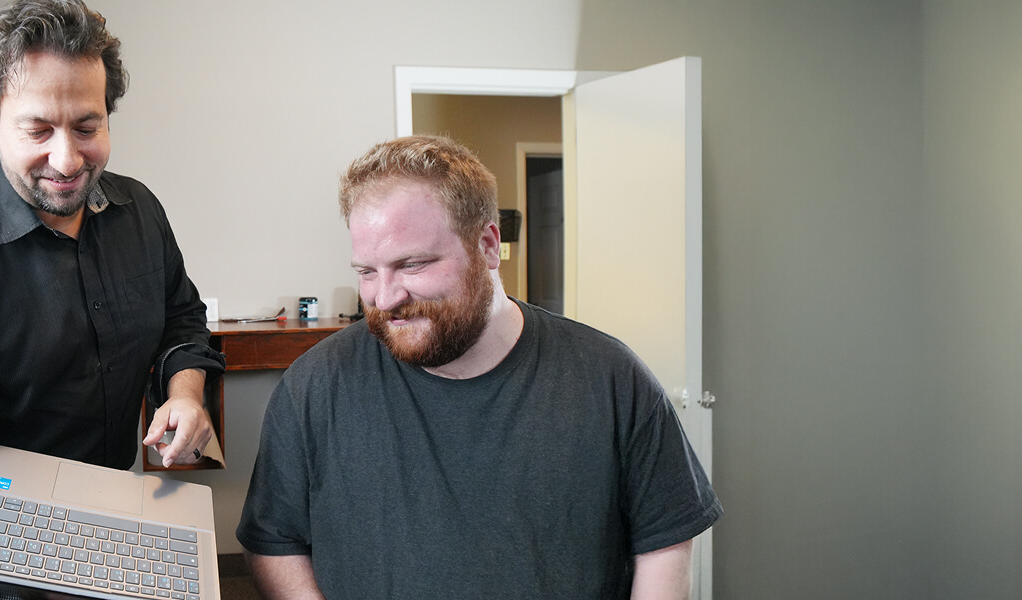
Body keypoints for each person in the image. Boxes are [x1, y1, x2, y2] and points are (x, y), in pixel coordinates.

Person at [237, 136, 721, 599]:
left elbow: (665, 542)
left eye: (413, 264)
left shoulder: (611, 378)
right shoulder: (315, 385)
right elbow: (273, 543)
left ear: (488, 245)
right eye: (367, 271)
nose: (385, 299)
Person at [0, 0, 225, 561]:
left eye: (87, 127)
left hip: (121, 514)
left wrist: (185, 395)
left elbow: (182, 321)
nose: (66, 160)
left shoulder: (140, 211)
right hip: (8, 544)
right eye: (37, 130)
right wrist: (52, 576)